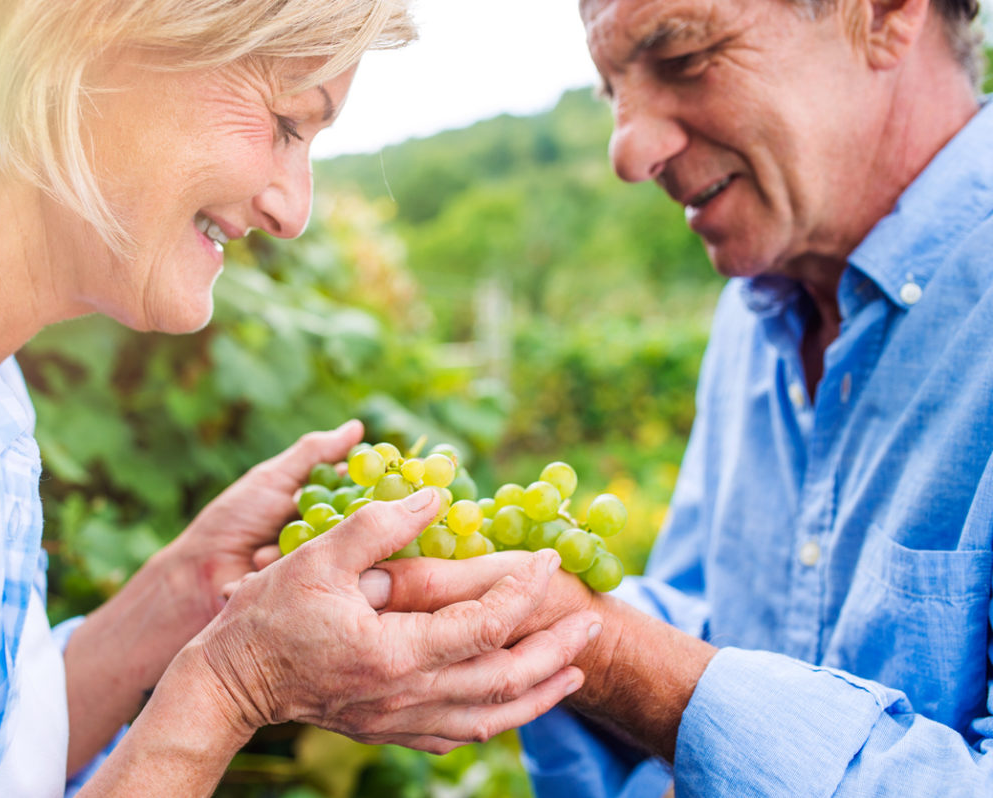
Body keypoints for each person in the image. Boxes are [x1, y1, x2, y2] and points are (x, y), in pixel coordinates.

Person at [0, 1, 603, 795]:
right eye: (287, 122)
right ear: (84, 34)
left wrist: (190, 590)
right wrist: (235, 683)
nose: (293, 211)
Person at [372, 0, 993, 794]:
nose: (627, 150)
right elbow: (707, 627)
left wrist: (607, 652)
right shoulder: (754, 310)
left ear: (882, 15)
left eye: (685, 57)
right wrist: (517, 611)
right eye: (610, 93)